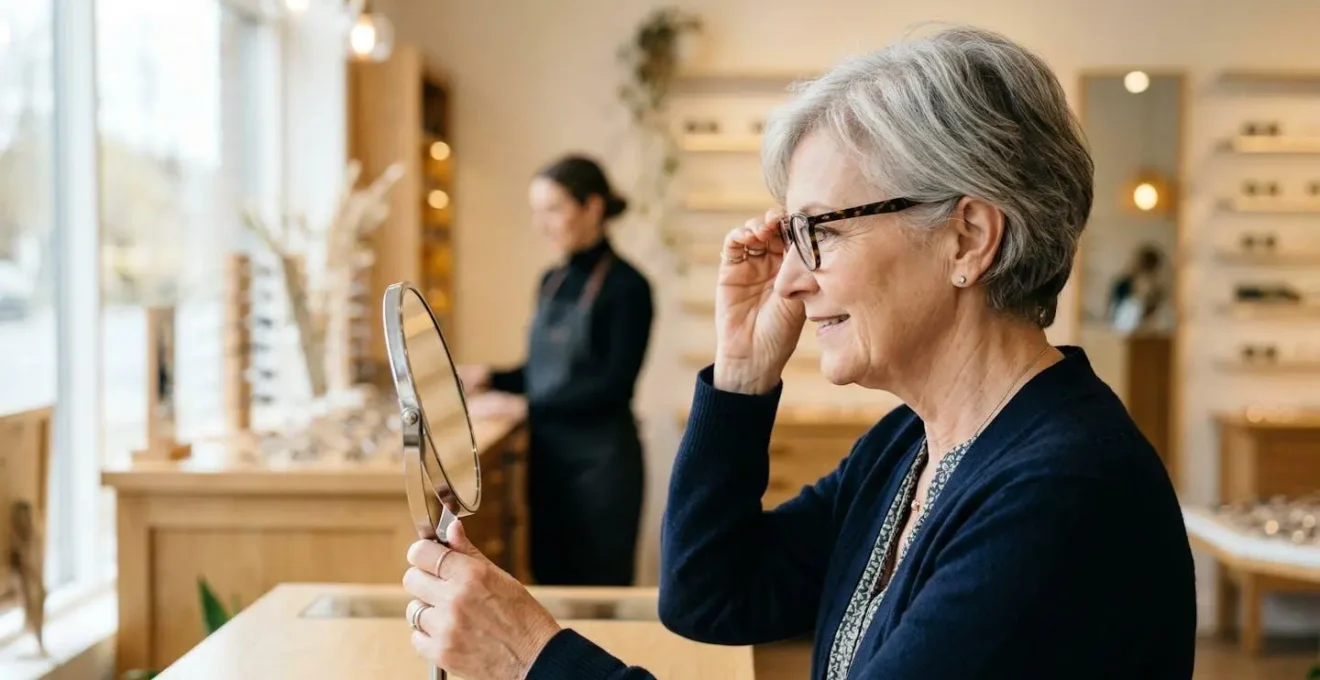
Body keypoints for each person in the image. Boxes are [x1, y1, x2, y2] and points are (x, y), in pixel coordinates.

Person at [401, 25, 1197, 680]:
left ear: (968, 238)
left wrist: (533, 660)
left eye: (822, 231)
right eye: (792, 236)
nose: (791, 278)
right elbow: (712, 595)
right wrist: (742, 378)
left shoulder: (1065, 494)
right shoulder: (911, 444)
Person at [458, 154, 653, 588]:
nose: (540, 225)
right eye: (536, 211)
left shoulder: (628, 287)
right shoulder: (551, 281)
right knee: (549, 588)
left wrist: (523, 407)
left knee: (598, 594)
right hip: (548, 464)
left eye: (552, 210)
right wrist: (490, 377)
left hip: (602, 471)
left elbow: (612, 386)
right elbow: (545, 373)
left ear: (593, 208)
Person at [1107, 243, 1168, 332]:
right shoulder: (1123, 284)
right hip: (1124, 327)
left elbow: (1156, 315)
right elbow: (1116, 316)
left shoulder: (1157, 290)